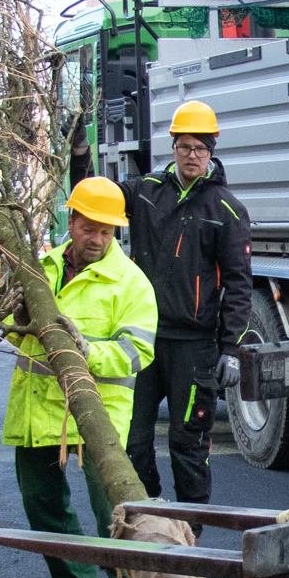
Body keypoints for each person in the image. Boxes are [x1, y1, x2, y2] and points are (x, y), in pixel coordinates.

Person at [4, 177, 157, 578]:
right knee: (42, 503)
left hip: (97, 413)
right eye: (89, 228)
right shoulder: (43, 269)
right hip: (38, 408)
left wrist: (86, 351)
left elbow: (137, 353)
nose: (97, 239)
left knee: (112, 513)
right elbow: (19, 340)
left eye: (107, 231)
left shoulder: (131, 283)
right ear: (70, 222)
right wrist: (17, 320)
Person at [121, 100, 251, 505]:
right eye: (184, 147)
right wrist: (78, 155)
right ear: (173, 147)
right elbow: (98, 198)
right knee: (132, 441)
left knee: (188, 444)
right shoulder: (145, 192)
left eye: (200, 148)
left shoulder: (226, 209)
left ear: (211, 151)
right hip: (143, 340)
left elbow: (239, 284)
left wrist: (231, 349)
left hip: (194, 347)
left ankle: (191, 529)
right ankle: (150, 517)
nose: (192, 156)